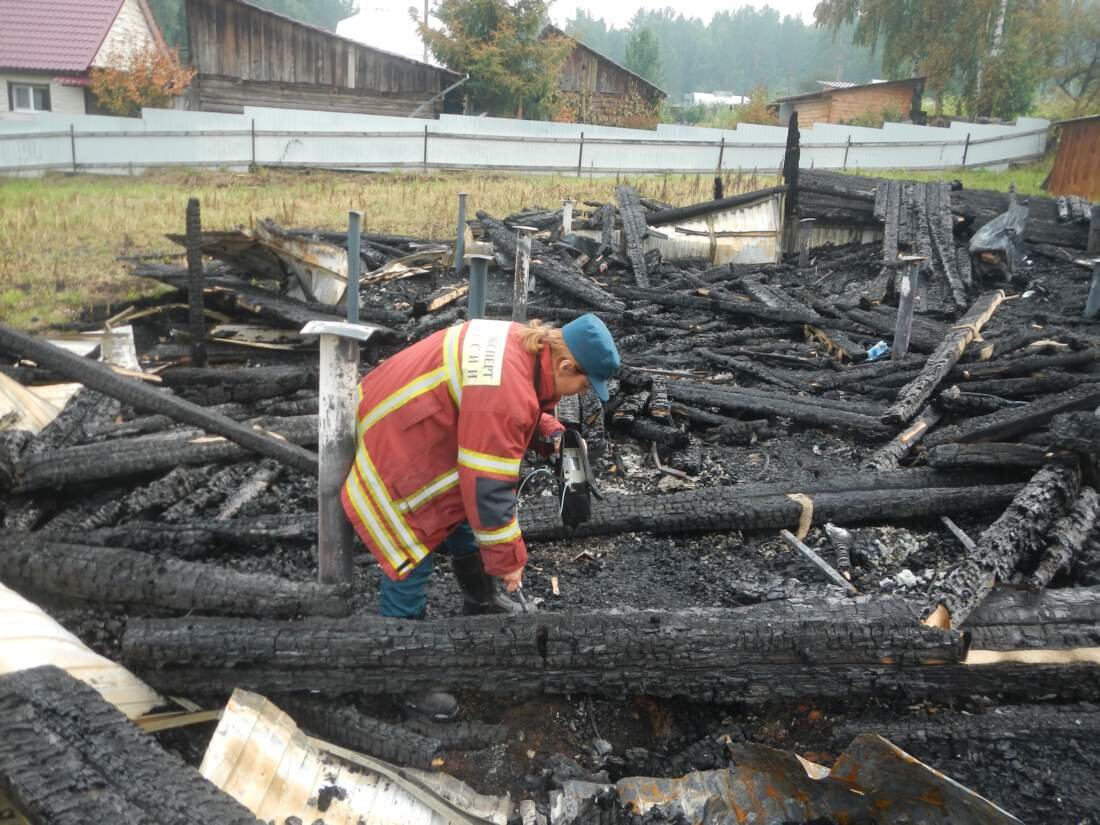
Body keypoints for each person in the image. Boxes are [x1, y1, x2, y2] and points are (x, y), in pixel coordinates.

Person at [341, 313, 620, 719]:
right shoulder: (505, 394)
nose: (580, 393)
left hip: (406, 412)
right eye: (582, 384)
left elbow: (493, 403)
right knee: (413, 546)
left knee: (462, 515)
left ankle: (481, 599)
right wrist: (509, 563)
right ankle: (401, 672)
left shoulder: (522, 343)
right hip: (396, 439)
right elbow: (489, 489)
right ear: (564, 364)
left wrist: (547, 429)